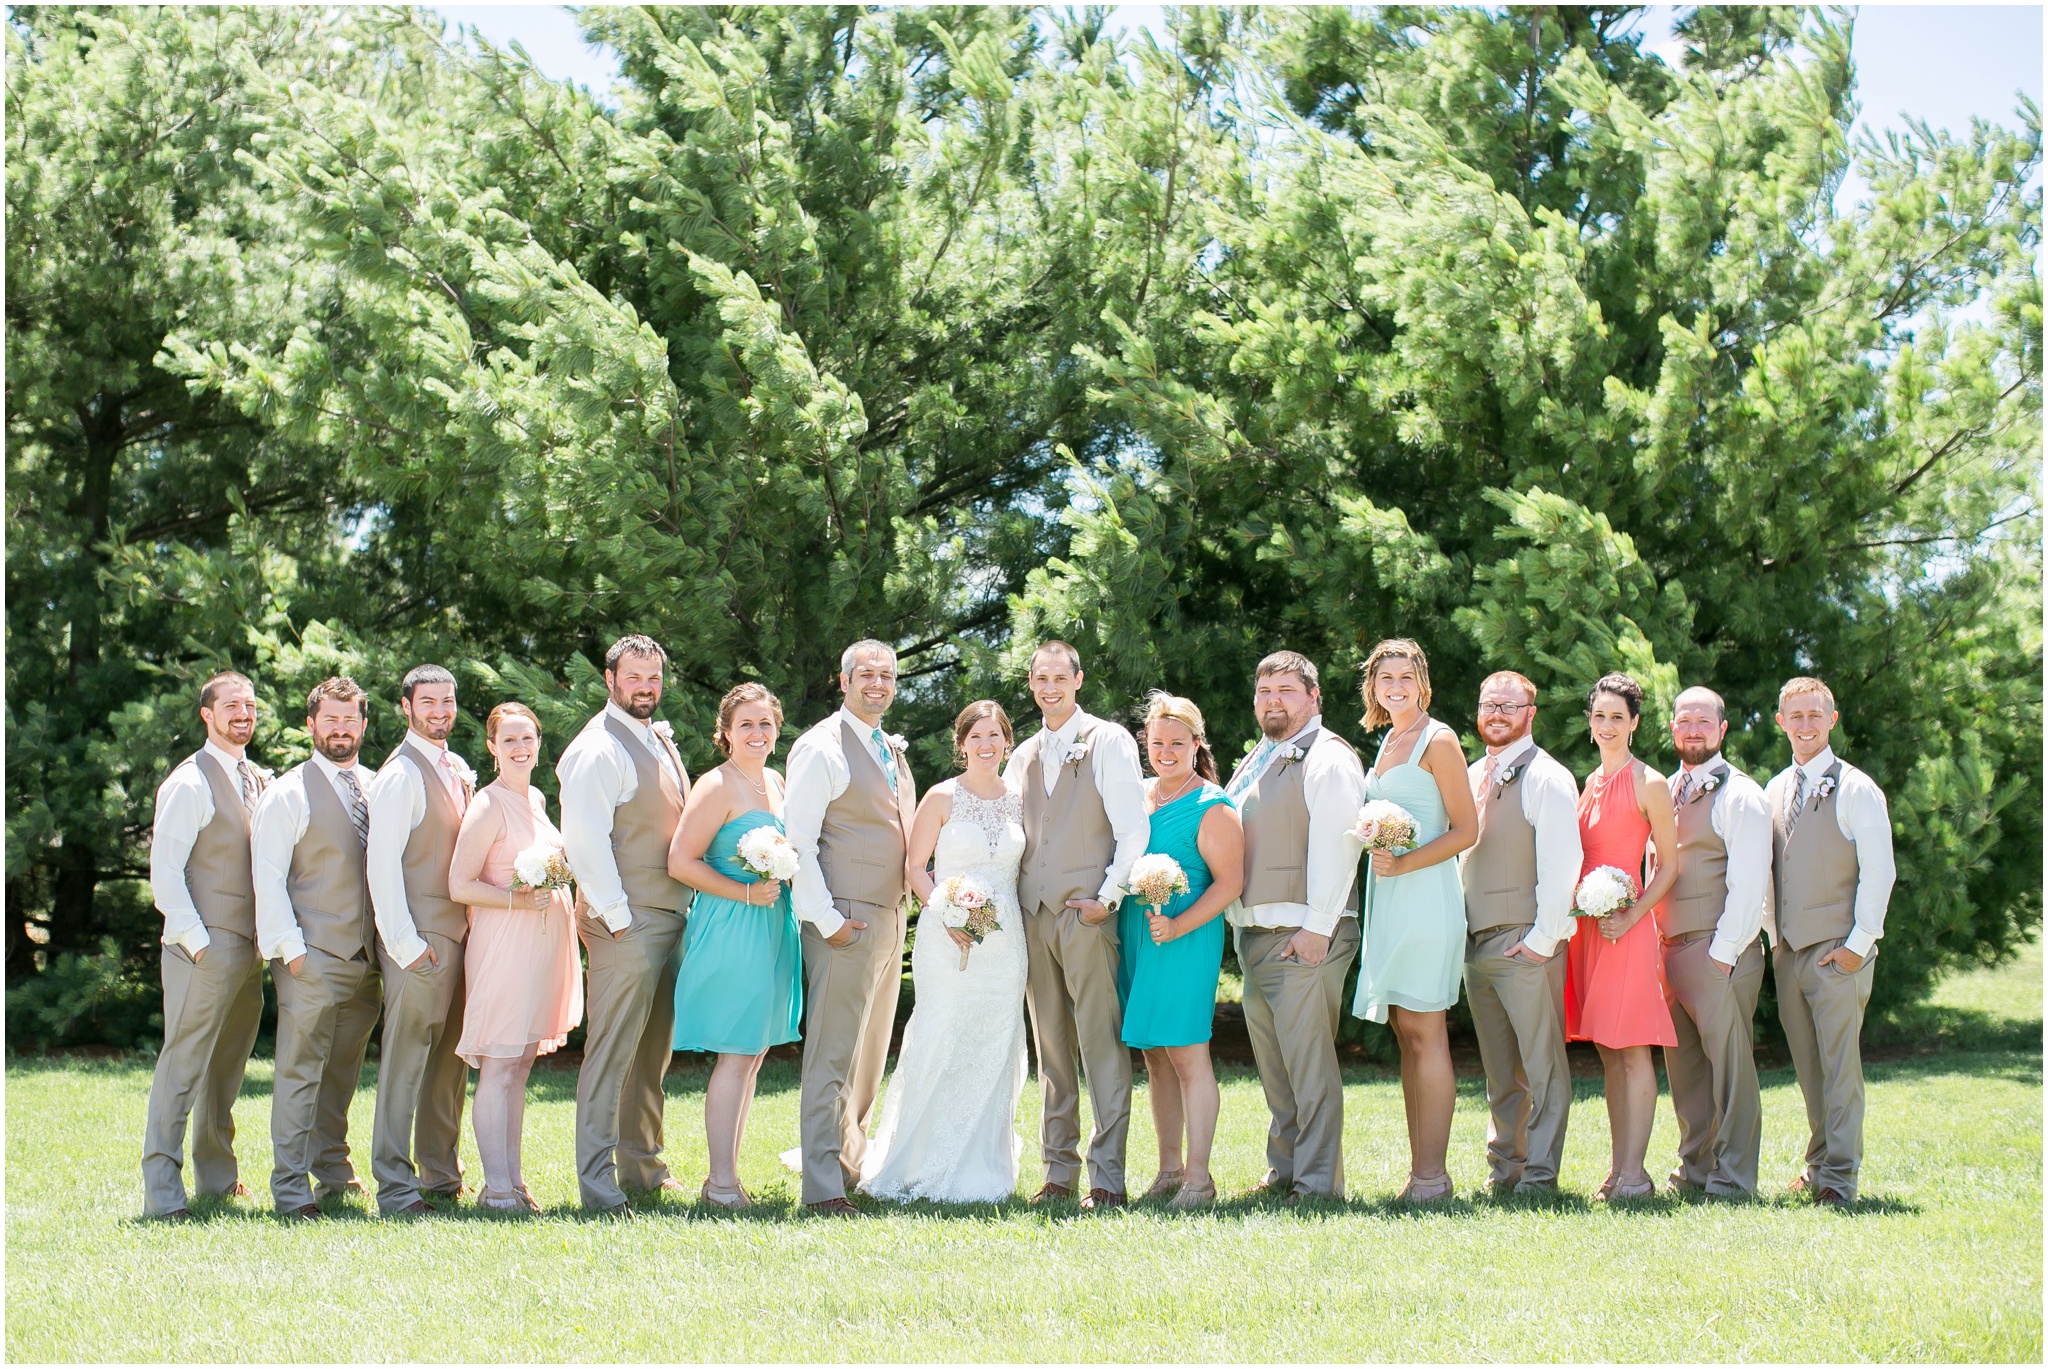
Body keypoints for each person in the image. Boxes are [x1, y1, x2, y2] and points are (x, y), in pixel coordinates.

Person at [861, 700, 1029, 1204]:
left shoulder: (1020, 800)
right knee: (942, 1033)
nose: (985, 745)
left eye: (994, 736)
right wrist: (946, 911)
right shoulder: (940, 797)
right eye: (975, 736)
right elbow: (915, 867)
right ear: (962, 744)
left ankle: (982, 1164)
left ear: (1006, 742)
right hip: (946, 933)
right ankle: (919, 1158)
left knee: (994, 1040)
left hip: (1006, 943)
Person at [1002, 641, 1150, 1209]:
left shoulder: (1107, 740)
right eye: (1040, 678)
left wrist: (1107, 899)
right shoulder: (1025, 754)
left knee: (1100, 1046)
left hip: (1086, 914)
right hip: (1034, 917)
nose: (1049, 687)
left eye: (1059, 676)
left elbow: (1132, 830)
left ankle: (1107, 1179)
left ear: (1078, 679)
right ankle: (1057, 1173)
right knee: (1052, 1050)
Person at [556, 634, 694, 1213]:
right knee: (612, 1052)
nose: (645, 687)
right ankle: (598, 1182)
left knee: (651, 1054)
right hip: (627, 923)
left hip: (669, 916)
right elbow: (584, 841)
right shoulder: (598, 749)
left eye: (654, 677)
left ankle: (644, 1167)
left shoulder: (656, 739)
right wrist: (616, 918)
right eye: (634, 677)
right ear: (610, 679)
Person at [783, 640, 919, 1216]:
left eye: (887, 675)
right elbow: (798, 843)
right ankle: (821, 1188)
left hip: (888, 921)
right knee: (832, 1057)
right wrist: (828, 921)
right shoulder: (819, 748)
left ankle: (849, 1165)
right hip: (845, 922)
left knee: (867, 1058)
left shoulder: (887, 747)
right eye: (866, 674)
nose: (878, 684)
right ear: (843, 681)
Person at [1225, 651, 1366, 1202]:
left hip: (1306, 933)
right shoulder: (1261, 756)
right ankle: (1284, 1169)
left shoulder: (1328, 757)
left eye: (1285, 690)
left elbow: (1340, 845)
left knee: (1309, 1066)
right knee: (1277, 1065)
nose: (1273, 701)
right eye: (1264, 692)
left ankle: (1317, 1182)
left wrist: (1318, 929)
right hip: (1259, 933)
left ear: (1314, 697)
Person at [667, 684, 803, 1211]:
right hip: (731, 924)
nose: (757, 733)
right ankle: (720, 1182)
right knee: (737, 1051)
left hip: (772, 926)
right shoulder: (716, 785)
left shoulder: (775, 780)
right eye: (746, 724)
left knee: (754, 1051)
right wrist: (744, 890)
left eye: (766, 723)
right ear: (726, 732)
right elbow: (681, 860)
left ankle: (726, 1178)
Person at [140, 670, 271, 1219]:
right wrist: (198, 944)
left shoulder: (258, 778)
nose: (242, 714)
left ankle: (217, 1178)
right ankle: (162, 1193)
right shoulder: (189, 782)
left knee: (226, 1069)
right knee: (183, 1067)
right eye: (231, 706)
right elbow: (165, 873)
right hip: (204, 949)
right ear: (207, 715)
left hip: (249, 950)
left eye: (249, 705)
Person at [251, 677, 383, 1218]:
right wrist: (291, 951)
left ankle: (334, 1175)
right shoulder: (287, 793)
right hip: (311, 955)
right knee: (300, 1071)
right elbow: (267, 876)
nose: (340, 728)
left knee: (342, 1074)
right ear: (311, 724)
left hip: (367, 960)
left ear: (364, 725)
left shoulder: (377, 786)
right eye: (330, 719)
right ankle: (289, 1189)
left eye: (349, 719)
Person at [1351, 639, 1477, 1203]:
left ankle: (1434, 1177)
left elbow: (1465, 830)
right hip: (1391, 899)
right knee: (1407, 1034)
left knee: (1426, 1033)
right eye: (1385, 679)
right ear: (1373, 687)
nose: (1395, 687)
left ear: (1422, 682)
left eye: (1405, 677)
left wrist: (1403, 860)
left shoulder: (1438, 739)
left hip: (1426, 897)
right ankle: (1419, 1171)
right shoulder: (1388, 740)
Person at [447, 702, 584, 1214]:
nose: (521, 748)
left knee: (521, 1063)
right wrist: (518, 899)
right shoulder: (488, 805)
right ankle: (495, 1188)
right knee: (500, 1063)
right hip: (504, 942)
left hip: (542, 942)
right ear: (491, 747)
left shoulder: (538, 800)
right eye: (509, 741)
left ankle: (514, 1181)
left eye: (528, 738)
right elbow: (460, 884)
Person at [1765, 677, 1895, 1205]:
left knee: (1841, 1068)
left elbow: (1879, 872)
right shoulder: (1774, 789)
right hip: (1789, 953)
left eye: (1814, 715)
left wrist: (1858, 945)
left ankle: (1840, 1179)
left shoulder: (1857, 788)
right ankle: (1819, 1163)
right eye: (1795, 716)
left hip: (1838, 951)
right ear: (1781, 722)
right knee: (1808, 1068)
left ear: (1832, 720)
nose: (1805, 725)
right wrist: (1774, 940)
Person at [1460, 670, 1582, 1198]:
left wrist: (1542, 938)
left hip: (1525, 941)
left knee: (1543, 1067)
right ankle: (1504, 1168)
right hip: (1475, 943)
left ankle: (1540, 1174)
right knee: (1499, 1070)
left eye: (1510, 706)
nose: (1498, 714)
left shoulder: (1546, 776)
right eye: (1490, 704)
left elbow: (1563, 864)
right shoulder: (1468, 776)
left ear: (1530, 714)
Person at [1120, 693, 1242, 1211]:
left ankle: (1199, 1179)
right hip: (1137, 932)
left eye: (1177, 742)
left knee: (1188, 1054)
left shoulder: (1211, 804)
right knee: (1154, 1055)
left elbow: (1230, 883)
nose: (1165, 751)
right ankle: (1168, 1170)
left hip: (1185, 936)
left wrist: (1178, 923)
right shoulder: (1138, 795)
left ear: (1196, 744)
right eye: (1157, 742)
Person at [365, 664, 476, 1216]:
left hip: (460, 937)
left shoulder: (454, 767)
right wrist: (405, 946)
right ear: (406, 707)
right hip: (420, 941)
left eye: (448, 701)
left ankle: (440, 1174)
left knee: (449, 1065)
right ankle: (394, 1186)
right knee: (406, 1063)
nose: (440, 711)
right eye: (428, 702)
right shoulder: (401, 775)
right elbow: (381, 866)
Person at [1566, 673, 1681, 1199]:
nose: (1607, 725)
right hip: (1590, 929)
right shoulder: (1589, 782)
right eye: (1600, 716)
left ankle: (1636, 1176)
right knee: (1608, 1051)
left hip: (1626, 929)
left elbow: (1670, 866)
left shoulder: (1648, 782)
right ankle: (1618, 1170)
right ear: (1590, 723)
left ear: (1634, 723)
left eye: (1618, 716)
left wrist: (1634, 918)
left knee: (1632, 1049)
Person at [1657, 685, 1771, 1199]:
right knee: (1685, 1072)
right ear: (1673, 728)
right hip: (1670, 950)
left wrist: (1721, 955)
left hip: (1719, 951)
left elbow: (1750, 884)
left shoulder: (1740, 793)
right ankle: (1695, 1170)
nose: (1694, 730)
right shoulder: (1667, 790)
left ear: (1722, 730)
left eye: (1704, 722)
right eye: (1685, 721)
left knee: (1730, 1071)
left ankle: (1734, 1177)